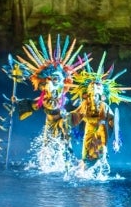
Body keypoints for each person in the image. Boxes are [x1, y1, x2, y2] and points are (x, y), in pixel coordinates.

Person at [10, 34, 88, 167]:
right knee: (47, 145)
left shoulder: (63, 99)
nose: (52, 83)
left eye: (56, 79)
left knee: (65, 137)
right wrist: (17, 101)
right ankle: (47, 164)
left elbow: (74, 107)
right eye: (49, 80)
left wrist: (84, 103)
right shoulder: (43, 99)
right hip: (49, 122)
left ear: (63, 81)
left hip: (62, 119)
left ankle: (70, 161)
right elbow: (32, 104)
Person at [69, 55, 131, 168]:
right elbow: (76, 116)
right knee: (86, 153)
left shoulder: (104, 106)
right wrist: (66, 121)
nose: (95, 96)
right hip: (89, 128)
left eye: (97, 93)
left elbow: (112, 120)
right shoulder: (85, 104)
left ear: (101, 94)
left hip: (101, 130)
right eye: (93, 93)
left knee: (101, 151)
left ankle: (97, 168)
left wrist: (116, 138)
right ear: (88, 93)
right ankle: (83, 167)